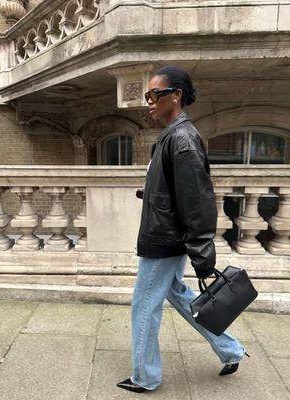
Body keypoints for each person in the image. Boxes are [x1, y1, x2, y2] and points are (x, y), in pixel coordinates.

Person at [117, 66, 249, 394]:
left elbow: (198, 202)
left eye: (154, 95)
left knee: (144, 306)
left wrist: (203, 254)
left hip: (164, 240)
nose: (148, 102)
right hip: (166, 234)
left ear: (175, 96)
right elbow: (176, 191)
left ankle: (145, 377)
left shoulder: (182, 139)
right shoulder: (174, 135)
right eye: (147, 96)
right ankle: (231, 349)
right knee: (179, 295)